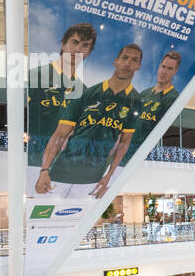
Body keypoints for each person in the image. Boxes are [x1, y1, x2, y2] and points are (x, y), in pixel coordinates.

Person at [39, 43, 143, 199]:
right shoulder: (88, 94)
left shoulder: (135, 102)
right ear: (116, 61)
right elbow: (60, 134)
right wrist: (44, 170)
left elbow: (124, 143)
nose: (128, 63)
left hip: (94, 178)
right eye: (125, 58)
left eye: (134, 60)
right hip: (61, 171)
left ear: (138, 66)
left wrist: (109, 176)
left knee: (80, 220)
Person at [26, 22, 95, 196]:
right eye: (75, 42)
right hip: (34, 162)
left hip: (64, 167)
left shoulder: (83, 91)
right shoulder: (36, 76)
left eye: (85, 45)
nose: (78, 49)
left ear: (89, 52)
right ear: (63, 44)